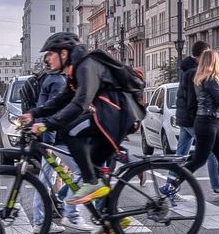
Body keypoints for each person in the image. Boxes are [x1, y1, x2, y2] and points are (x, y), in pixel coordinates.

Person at [22, 32, 138, 217]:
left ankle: (91, 183)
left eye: (50, 53)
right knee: (95, 168)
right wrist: (34, 113)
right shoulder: (76, 71)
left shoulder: (86, 66)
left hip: (115, 117)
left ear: (64, 53)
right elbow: (61, 100)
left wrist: (48, 124)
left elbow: (79, 104)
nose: (47, 58)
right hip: (112, 118)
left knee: (69, 130)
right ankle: (110, 220)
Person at [25, 40, 92, 233]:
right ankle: (70, 214)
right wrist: (49, 141)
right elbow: (57, 109)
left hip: (51, 137)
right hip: (57, 138)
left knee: (45, 180)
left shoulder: (51, 79)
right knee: (81, 172)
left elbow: (50, 107)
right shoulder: (58, 81)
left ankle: (40, 221)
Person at [167, 49, 219, 204]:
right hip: (208, 123)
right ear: (213, 62)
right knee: (199, 160)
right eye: (217, 60)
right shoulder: (211, 79)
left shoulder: (200, 78)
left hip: (207, 122)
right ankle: (171, 185)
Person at [176, 41, 219, 195]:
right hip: (193, 119)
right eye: (207, 52)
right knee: (211, 152)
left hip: (185, 118)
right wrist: (197, 118)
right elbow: (192, 100)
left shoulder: (187, 69)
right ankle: (217, 186)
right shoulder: (194, 72)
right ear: (202, 54)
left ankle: (170, 186)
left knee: (180, 155)